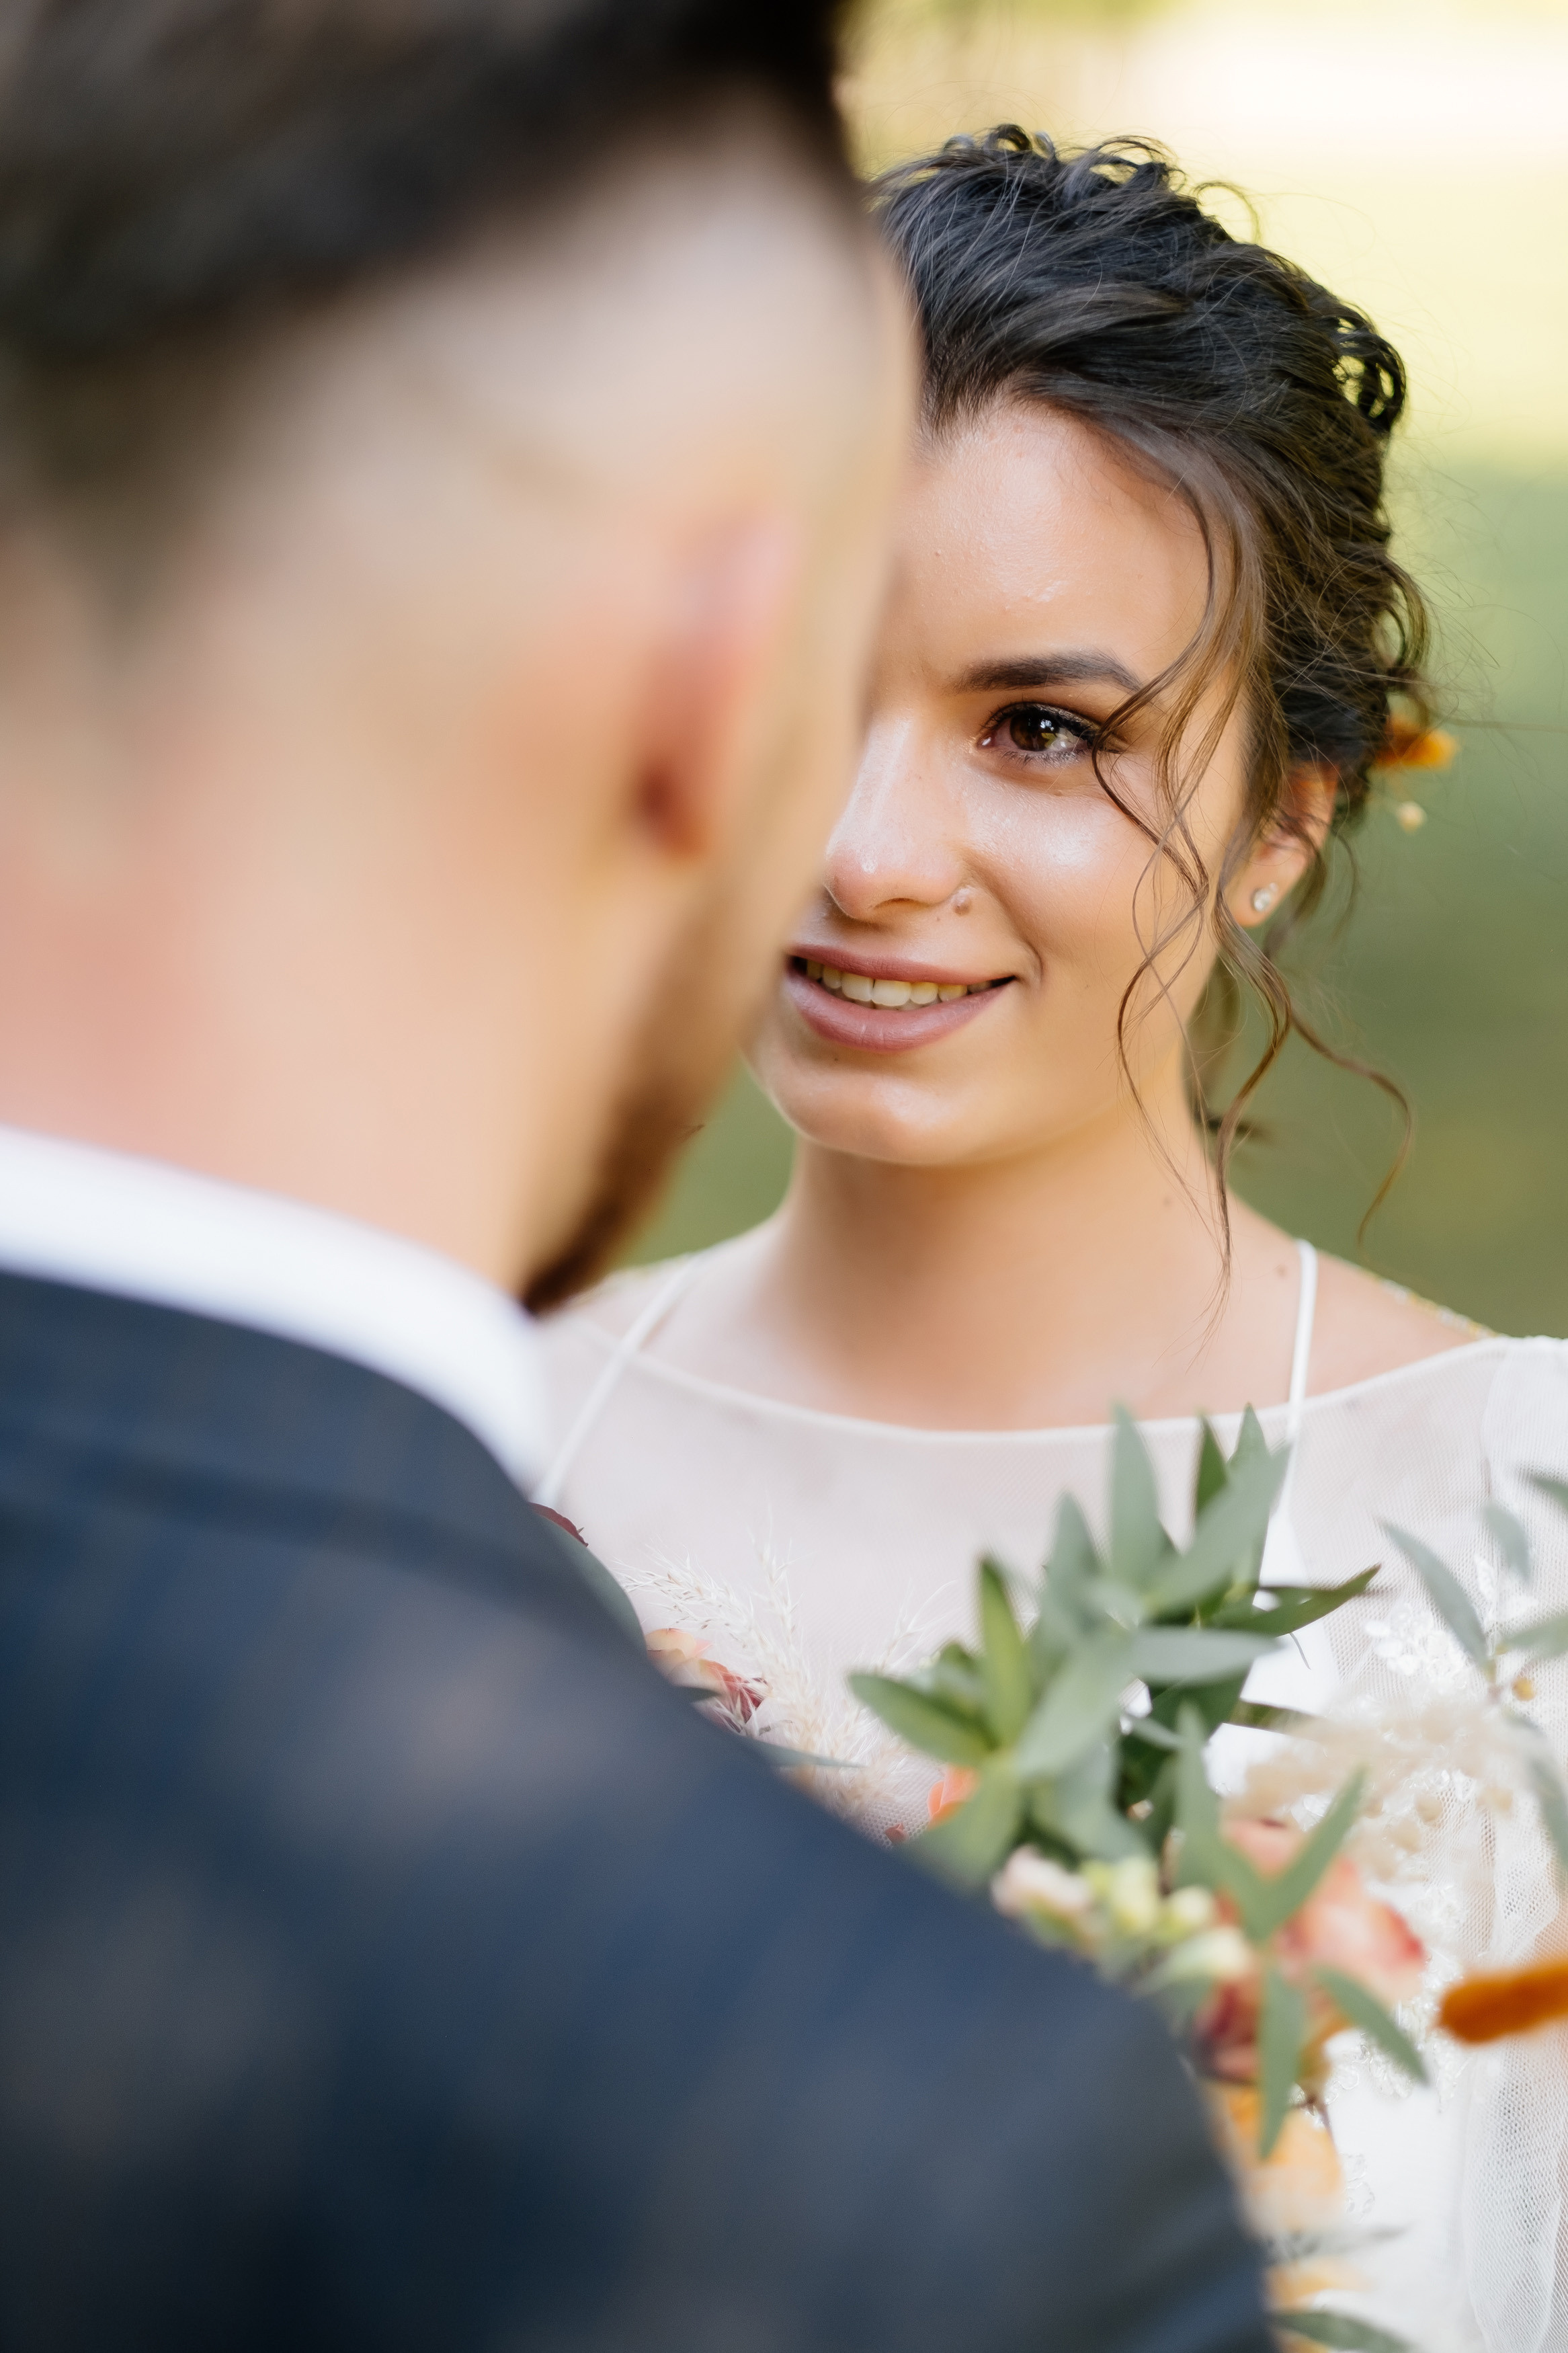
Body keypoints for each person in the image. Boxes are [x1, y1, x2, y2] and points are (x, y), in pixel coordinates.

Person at [0, 22, 1272, 2353]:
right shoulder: (917, 2159)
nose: (875, 855)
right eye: (848, 697)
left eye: (1041, 725)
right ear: (720, 686)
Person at [541, 130, 1568, 2352]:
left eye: (1042, 729)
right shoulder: (463, 1467)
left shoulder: (1532, 1560)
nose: (865, 849)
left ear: (1286, 820)